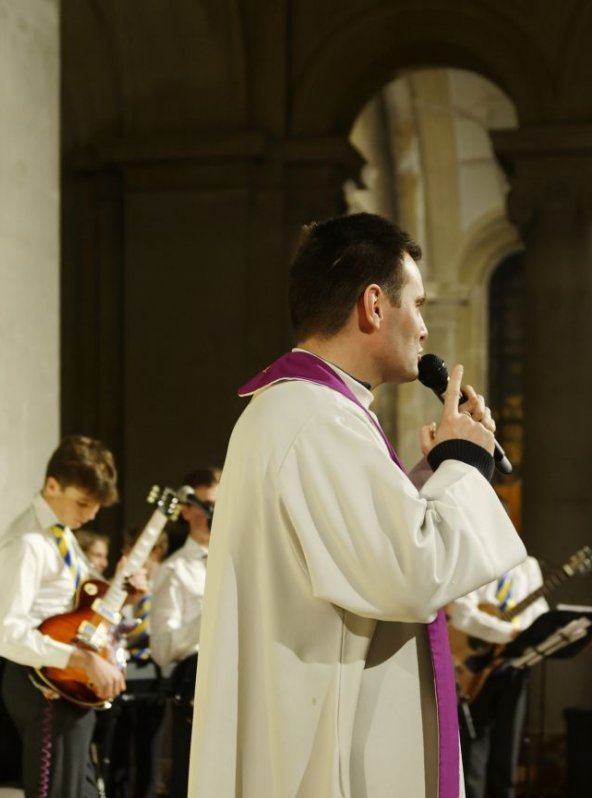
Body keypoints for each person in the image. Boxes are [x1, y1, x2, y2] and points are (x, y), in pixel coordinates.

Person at [187, 212, 527, 798]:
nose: (423, 329)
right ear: (374, 305)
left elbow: (363, 549)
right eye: (417, 304)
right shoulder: (316, 417)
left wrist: (435, 471)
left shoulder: (305, 412)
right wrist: (464, 466)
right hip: (324, 749)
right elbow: (410, 574)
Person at [0, 435, 137, 798]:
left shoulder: (62, 535)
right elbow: (6, 633)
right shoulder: (29, 543)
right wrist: (82, 659)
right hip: (43, 683)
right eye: (83, 503)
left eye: (96, 507)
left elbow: (78, 605)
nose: (89, 515)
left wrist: (124, 589)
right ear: (52, 486)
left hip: (66, 680)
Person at [447, 552, 548, 798]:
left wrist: (521, 633)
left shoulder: (528, 566)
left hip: (514, 663)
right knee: (474, 747)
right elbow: (462, 612)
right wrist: (508, 632)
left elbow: (539, 611)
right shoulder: (476, 559)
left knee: (509, 745)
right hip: (474, 664)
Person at [151, 466, 219, 798]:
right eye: (209, 505)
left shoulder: (242, 564)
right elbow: (162, 649)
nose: (216, 514)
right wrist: (212, 617)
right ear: (190, 510)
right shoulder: (174, 570)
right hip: (197, 686)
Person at [94, 526, 168, 798]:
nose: (128, 555)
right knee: (118, 750)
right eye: (126, 549)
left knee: (150, 752)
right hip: (122, 675)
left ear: (156, 551)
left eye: (135, 549)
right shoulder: (124, 585)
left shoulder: (166, 580)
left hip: (155, 675)